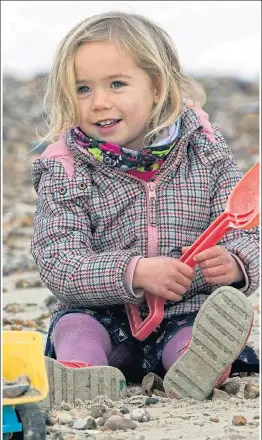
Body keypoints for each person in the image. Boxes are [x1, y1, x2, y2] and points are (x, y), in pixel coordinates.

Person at [31, 11, 259, 407]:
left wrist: (239, 262)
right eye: (82, 89)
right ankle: (80, 373)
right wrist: (133, 272)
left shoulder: (203, 150)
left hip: (185, 308)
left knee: (197, 337)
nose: (99, 102)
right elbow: (58, 260)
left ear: (157, 86)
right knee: (76, 328)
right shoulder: (65, 166)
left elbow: (246, 227)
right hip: (104, 311)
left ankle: (197, 366)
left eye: (117, 84)